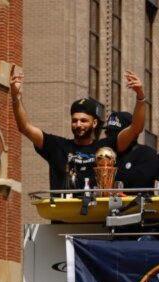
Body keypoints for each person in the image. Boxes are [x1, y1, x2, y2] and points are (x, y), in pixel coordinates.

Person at [10, 64, 146, 190]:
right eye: (74, 120)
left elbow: (136, 128)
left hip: (97, 214)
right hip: (65, 215)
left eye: (83, 120)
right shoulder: (57, 146)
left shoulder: (107, 147)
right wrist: (16, 98)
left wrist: (140, 96)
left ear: (94, 123)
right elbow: (25, 127)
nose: (78, 125)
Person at [102, 110, 159, 189]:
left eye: (116, 133)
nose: (111, 137)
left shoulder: (146, 154)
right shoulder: (103, 153)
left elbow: (138, 183)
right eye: (108, 133)